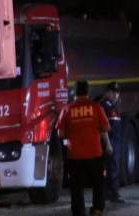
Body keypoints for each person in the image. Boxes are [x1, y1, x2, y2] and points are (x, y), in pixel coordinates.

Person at [58, 80, 112, 216]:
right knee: (98, 183)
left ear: (74, 92)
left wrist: (67, 146)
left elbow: (61, 133)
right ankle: (97, 209)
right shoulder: (96, 107)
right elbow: (106, 128)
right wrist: (108, 145)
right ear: (88, 92)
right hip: (95, 153)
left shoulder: (67, 109)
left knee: (76, 187)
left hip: (75, 156)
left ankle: (78, 212)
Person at [99, 82, 124, 203]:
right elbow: (103, 127)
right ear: (107, 92)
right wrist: (108, 143)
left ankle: (108, 193)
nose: (116, 94)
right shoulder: (105, 106)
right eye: (113, 92)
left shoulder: (114, 106)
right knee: (112, 168)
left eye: (117, 92)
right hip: (110, 141)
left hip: (115, 140)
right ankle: (114, 194)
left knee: (113, 167)